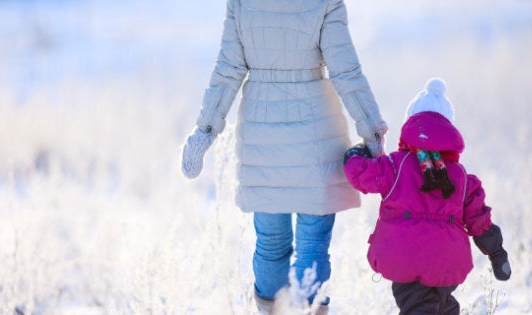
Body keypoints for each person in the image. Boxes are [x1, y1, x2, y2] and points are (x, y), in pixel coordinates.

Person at [181, 0, 388, 313]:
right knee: (313, 244)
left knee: (271, 244)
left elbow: (228, 71)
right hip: (317, 133)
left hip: (262, 138)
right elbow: (346, 71)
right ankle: (310, 309)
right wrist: (371, 130)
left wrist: (205, 131)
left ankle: (272, 311)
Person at [343, 78, 511, 314]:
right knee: (444, 306)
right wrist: (496, 252)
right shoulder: (461, 177)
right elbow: (480, 221)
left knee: (418, 308)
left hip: (406, 258)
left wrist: (355, 153)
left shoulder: (394, 166)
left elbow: (360, 173)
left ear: (410, 125)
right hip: (448, 261)